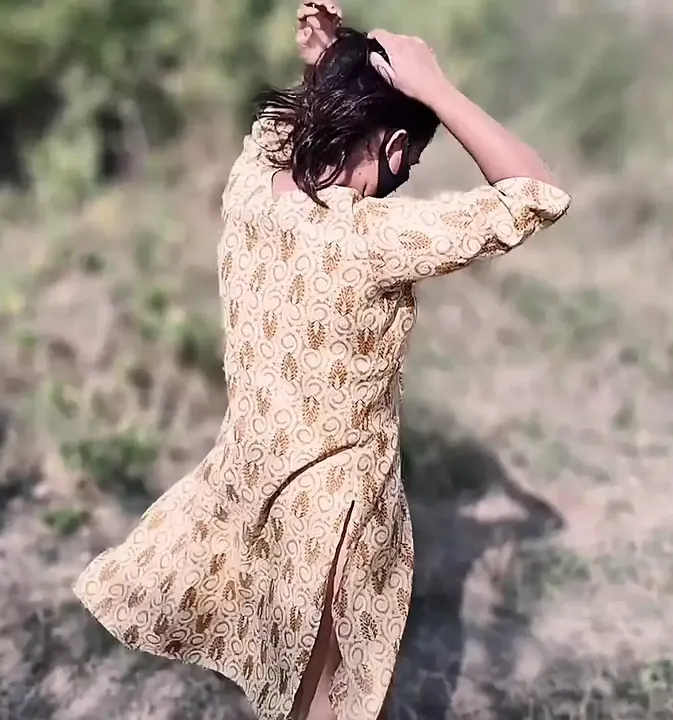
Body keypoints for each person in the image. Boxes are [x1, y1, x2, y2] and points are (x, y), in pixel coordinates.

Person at [72, 3, 570, 719]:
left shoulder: (250, 190)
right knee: (331, 699)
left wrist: (329, 64)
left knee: (297, 686)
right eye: (411, 160)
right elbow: (537, 194)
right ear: (395, 145)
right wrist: (437, 89)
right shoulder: (369, 238)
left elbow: (283, 130)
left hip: (252, 482)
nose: (407, 175)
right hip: (336, 511)